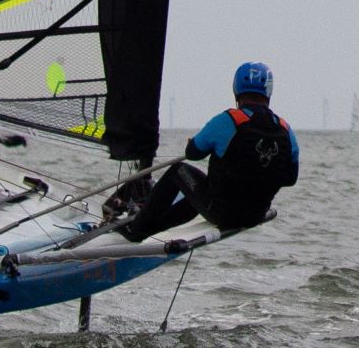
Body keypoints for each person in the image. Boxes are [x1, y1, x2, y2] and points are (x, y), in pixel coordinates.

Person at [105, 62, 300, 241]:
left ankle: (137, 229)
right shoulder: (285, 130)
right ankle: (150, 228)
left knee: (177, 171)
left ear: (236, 90)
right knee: (196, 192)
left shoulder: (230, 120)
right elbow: (290, 179)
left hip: (222, 213)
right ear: (269, 92)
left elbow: (193, 152)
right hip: (255, 215)